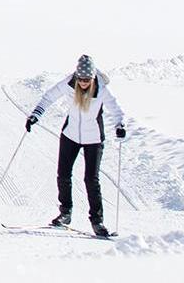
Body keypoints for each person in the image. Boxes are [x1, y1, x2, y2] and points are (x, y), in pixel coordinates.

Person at [26, 54, 127, 238]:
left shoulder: (102, 89)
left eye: (87, 80)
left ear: (93, 77)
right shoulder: (69, 83)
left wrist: (120, 125)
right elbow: (48, 97)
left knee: (91, 179)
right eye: (80, 79)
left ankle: (97, 221)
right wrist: (35, 115)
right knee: (63, 174)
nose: (83, 83)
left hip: (93, 138)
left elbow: (116, 109)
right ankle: (65, 213)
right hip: (70, 134)